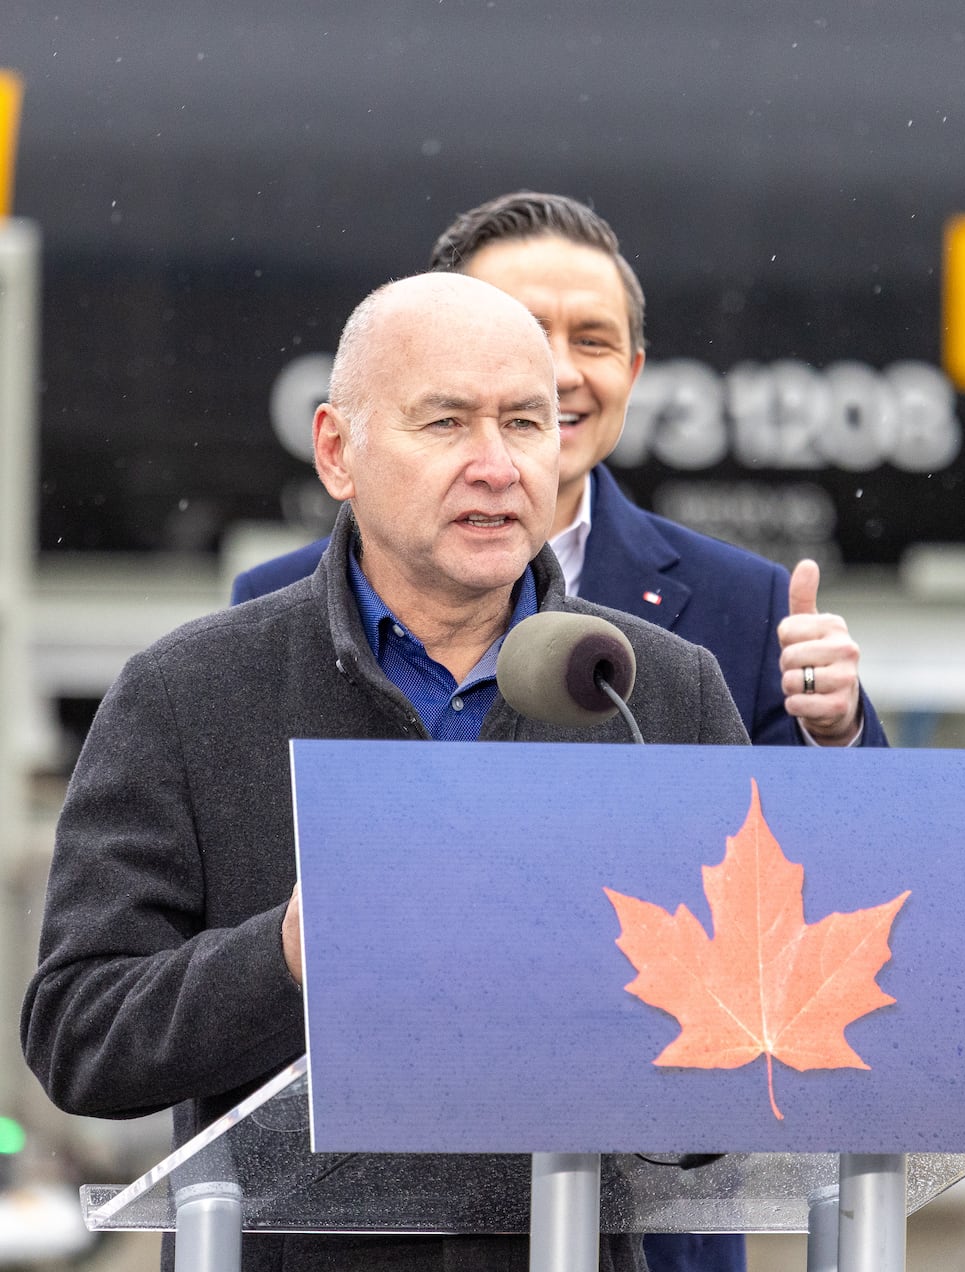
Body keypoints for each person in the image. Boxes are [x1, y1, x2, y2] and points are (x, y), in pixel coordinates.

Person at [21, 272, 749, 1272]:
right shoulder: (187, 695)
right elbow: (80, 1035)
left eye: (525, 424)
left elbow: (740, 1066)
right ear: (337, 451)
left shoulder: (655, 692)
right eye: (445, 423)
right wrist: (282, 959)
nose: (495, 466)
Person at [235, 191, 890, 758]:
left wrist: (835, 737)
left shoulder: (746, 605)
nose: (558, 374)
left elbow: (794, 864)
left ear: (633, 376)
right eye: (523, 332)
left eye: (593, 340)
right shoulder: (274, 604)